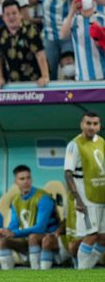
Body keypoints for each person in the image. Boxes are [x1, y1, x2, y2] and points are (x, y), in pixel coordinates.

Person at [0, 165, 59, 270]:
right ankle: (6, 276)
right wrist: (4, 231)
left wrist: (15, 233)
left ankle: (37, 273)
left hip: (49, 238)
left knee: (33, 236)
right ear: (15, 181)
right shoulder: (15, 200)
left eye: (28, 178)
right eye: (22, 179)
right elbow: (14, 224)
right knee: (3, 240)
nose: (26, 181)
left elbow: (40, 228)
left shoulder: (42, 197)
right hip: (28, 238)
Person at [64, 111, 105, 269]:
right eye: (88, 123)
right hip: (87, 200)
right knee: (91, 236)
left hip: (102, 197)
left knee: (102, 238)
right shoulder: (74, 145)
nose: (91, 127)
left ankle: (86, 269)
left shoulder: (101, 142)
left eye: (95, 124)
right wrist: (78, 199)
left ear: (99, 126)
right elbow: (68, 174)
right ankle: (82, 273)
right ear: (82, 124)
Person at [0, 0, 50, 88]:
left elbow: (40, 54)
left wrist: (45, 76)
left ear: (20, 14)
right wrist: (0, 78)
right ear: (3, 17)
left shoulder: (31, 30)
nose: (11, 17)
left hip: (35, 82)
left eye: (14, 13)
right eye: (7, 14)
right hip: (12, 83)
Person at [60, 0, 105, 81]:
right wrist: (71, 11)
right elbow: (63, 35)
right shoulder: (73, 19)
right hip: (81, 76)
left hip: (101, 74)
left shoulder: (101, 18)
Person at [39, 192, 82, 269]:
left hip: (85, 240)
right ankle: (42, 276)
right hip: (68, 239)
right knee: (47, 240)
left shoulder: (89, 196)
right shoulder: (68, 196)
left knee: (73, 246)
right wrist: (58, 230)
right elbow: (66, 219)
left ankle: (80, 272)